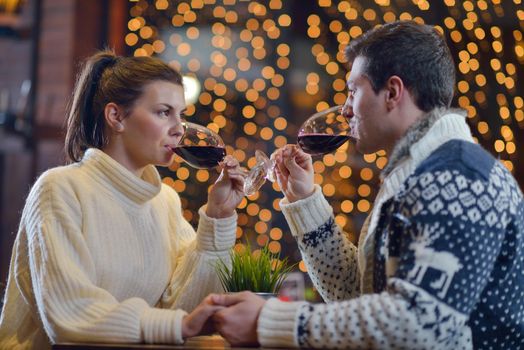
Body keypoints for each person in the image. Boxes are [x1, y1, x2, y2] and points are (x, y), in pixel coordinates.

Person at [205, 20, 524, 349]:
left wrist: (269, 321)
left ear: (392, 93)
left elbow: (417, 325)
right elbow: (356, 294)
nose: (344, 109)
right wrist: (305, 201)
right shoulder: (416, 173)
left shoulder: (457, 177)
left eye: (353, 91)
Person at [0, 51, 245, 349]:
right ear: (116, 116)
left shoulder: (164, 200)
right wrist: (177, 324)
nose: (179, 128)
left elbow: (186, 309)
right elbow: (71, 315)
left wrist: (218, 216)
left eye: (181, 114)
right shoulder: (60, 189)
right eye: (163, 112)